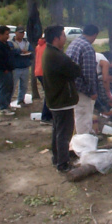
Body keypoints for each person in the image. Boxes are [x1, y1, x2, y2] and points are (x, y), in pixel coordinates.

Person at [42, 25, 81, 172]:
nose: (65, 38)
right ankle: (63, 164)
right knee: (64, 132)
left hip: (55, 99)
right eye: (63, 36)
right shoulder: (56, 56)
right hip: (62, 100)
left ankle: (57, 158)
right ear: (56, 38)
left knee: (58, 130)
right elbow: (75, 70)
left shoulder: (50, 52)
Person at [66, 24, 99, 135]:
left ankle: (79, 136)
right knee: (84, 114)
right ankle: (83, 142)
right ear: (94, 35)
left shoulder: (74, 43)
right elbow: (88, 72)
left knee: (78, 113)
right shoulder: (87, 47)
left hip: (71, 85)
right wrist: (93, 91)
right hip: (81, 87)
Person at [0, 25, 15, 116]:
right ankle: (3, 108)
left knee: (10, 87)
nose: (8, 36)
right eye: (6, 34)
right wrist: (4, 69)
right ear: (0, 35)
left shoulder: (6, 44)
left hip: (9, 69)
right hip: (3, 70)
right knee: (4, 88)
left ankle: (7, 104)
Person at [11, 25, 34, 106]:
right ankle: (8, 101)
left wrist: (29, 54)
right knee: (12, 86)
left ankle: (21, 100)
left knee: (24, 86)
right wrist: (19, 51)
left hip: (25, 66)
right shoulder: (11, 42)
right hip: (15, 67)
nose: (21, 34)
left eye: (23, 33)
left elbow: (31, 51)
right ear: (16, 33)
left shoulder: (27, 43)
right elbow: (10, 52)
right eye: (20, 33)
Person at [94, 52, 112, 117]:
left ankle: (108, 109)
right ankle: (103, 112)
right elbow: (105, 99)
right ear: (108, 76)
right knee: (97, 97)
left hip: (105, 94)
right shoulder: (102, 82)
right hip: (99, 96)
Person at [35, 36, 53, 125]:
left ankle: (48, 115)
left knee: (48, 94)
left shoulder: (39, 46)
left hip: (38, 71)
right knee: (49, 95)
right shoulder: (48, 47)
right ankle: (45, 117)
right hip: (44, 72)